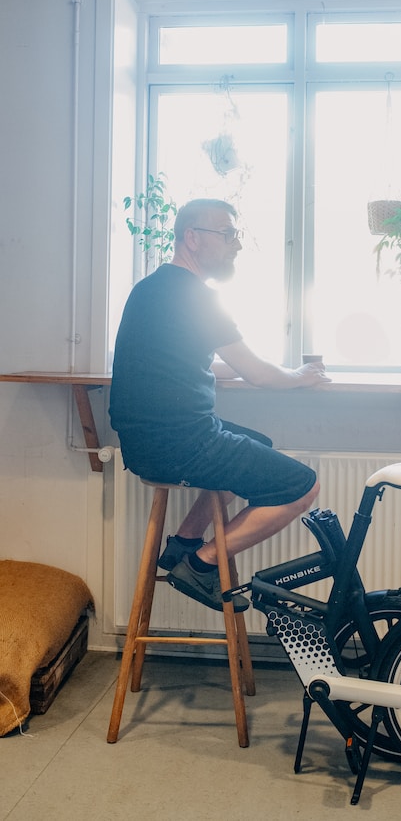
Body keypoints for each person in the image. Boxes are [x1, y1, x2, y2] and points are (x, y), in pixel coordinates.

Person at [110, 198, 330, 612]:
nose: (236, 244)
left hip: (144, 446)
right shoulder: (196, 297)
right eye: (227, 234)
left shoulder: (150, 289)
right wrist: (300, 376)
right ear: (192, 238)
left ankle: (184, 543)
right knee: (303, 485)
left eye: (236, 235)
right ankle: (201, 563)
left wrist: (252, 370)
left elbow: (188, 362)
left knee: (257, 442)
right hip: (183, 444)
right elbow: (259, 374)